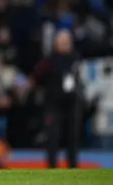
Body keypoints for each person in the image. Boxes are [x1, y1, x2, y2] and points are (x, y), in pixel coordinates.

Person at [31, 29, 82, 168]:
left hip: (72, 102)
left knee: (73, 136)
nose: (65, 45)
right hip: (53, 103)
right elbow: (37, 76)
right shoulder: (50, 60)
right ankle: (52, 165)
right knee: (52, 136)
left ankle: (73, 165)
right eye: (62, 42)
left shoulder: (76, 59)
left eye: (67, 42)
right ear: (56, 44)